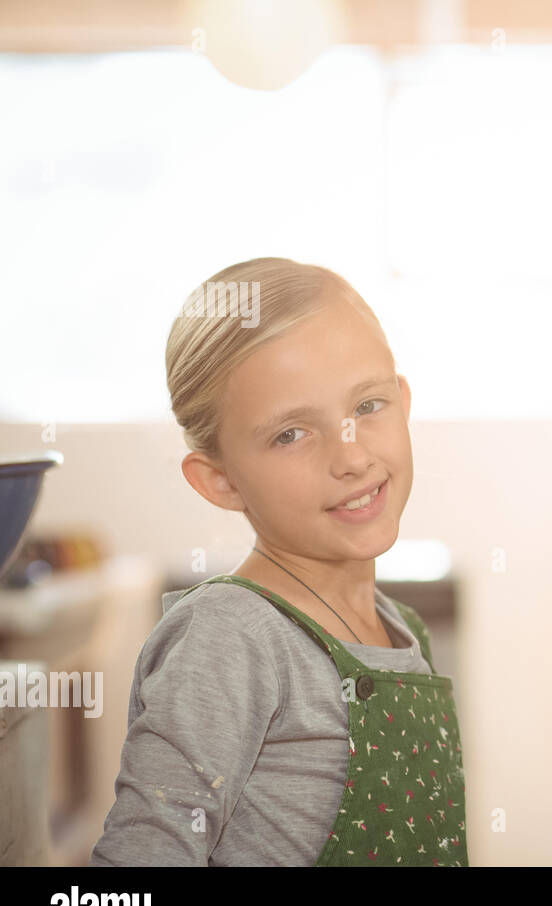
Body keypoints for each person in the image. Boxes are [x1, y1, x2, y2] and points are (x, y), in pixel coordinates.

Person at [90, 258, 467, 865]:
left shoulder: (404, 630)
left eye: (367, 406)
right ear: (220, 480)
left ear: (403, 400)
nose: (350, 457)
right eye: (291, 433)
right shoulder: (230, 636)